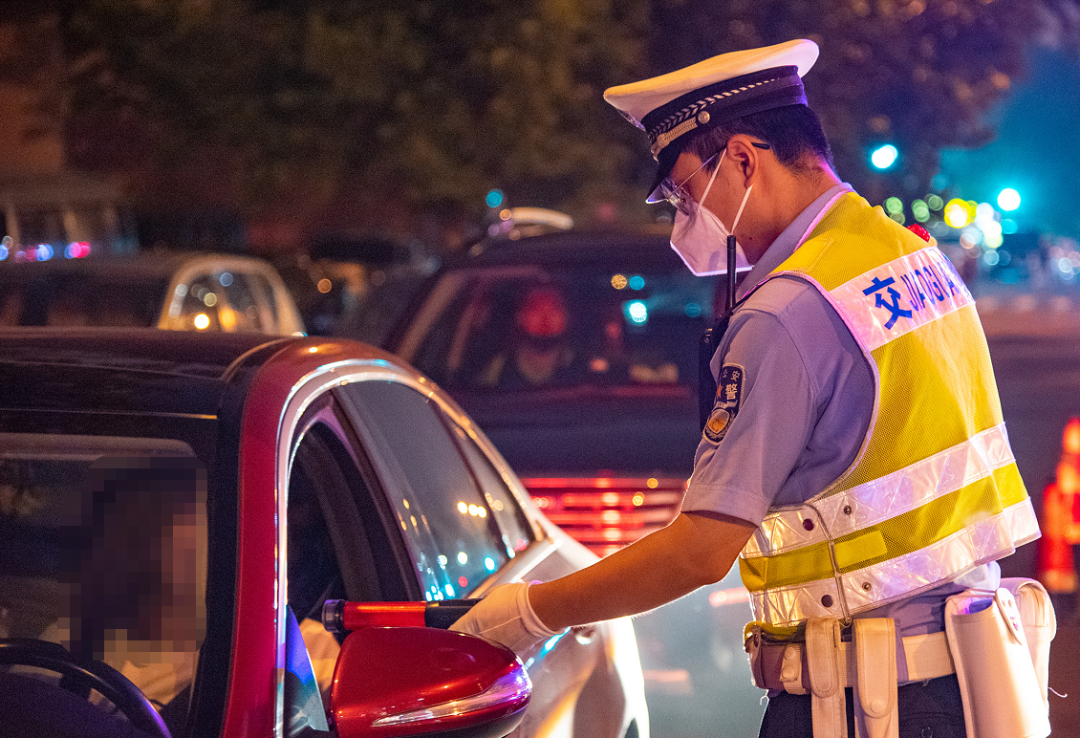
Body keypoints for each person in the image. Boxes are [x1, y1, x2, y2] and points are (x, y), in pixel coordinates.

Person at [452, 39, 1045, 738]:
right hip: (963, 682)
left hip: (864, 704)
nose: (682, 219)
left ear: (740, 158)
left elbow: (701, 549)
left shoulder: (786, 312)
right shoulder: (911, 258)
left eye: (683, 191)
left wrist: (529, 613)